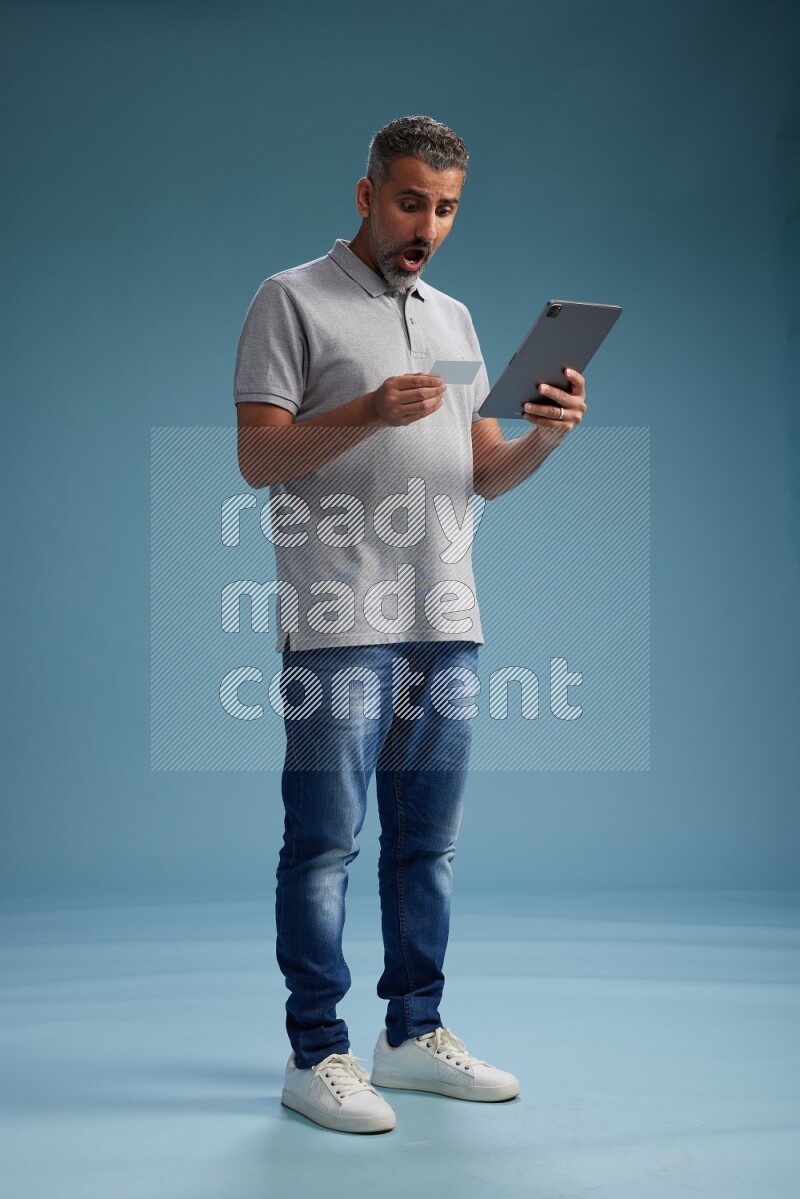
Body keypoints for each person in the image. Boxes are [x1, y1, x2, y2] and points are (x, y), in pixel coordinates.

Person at [234, 114, 587, 1134]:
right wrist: (364, 414)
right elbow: (258, 459)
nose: (424, 224)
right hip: (338, 618)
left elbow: (482, 472)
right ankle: (317, 1052)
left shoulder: (457, 320)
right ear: (364, 195)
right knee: (322, 847)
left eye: (443, 208)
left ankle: (409, 1032)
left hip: (448, 615)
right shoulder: (288, 299)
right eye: (407, 201)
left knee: (425, 849)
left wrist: (544, 438)